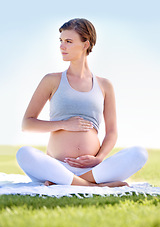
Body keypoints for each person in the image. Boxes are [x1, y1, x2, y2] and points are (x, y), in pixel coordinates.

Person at [16, 18, 148, 188]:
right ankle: (92, 186)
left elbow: (112, 132)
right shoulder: (51, 80)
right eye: (61, 41)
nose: (62, 46)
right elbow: (27, 124)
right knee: (24, 153)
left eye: (69, 41)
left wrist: (99, 158)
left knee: (139, 153)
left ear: (86, 44)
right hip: (56, 167)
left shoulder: (104, 85)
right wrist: (65, 124)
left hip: (94, 168)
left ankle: (68, 183)